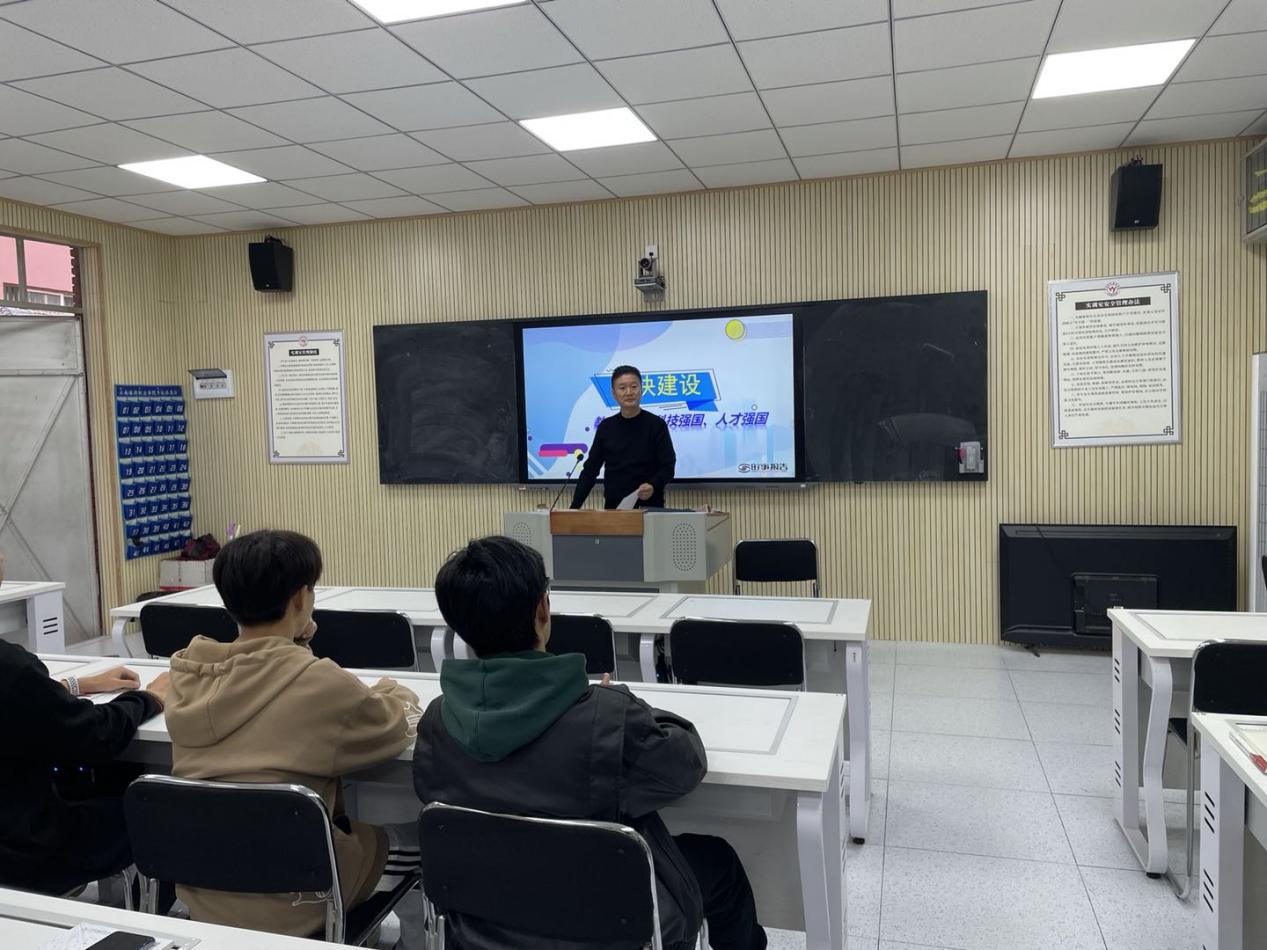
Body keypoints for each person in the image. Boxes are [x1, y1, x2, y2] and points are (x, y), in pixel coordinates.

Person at [413, 535, 767, 950]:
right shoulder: (608, 718)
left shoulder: (435, 722)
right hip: (613, 919)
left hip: (484, 926)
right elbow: (685, 765)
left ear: (457, 626)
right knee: (718, 862)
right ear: (542, 610)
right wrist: (625, 702)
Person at [165, 530, 423, 943]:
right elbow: (395, 723)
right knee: (427, 840)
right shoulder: (319, 684)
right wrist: (395, 689)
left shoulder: (186, 678)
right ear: (302, 598)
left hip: (205, 890)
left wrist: (295, 644)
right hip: (301, 897)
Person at [0, 550, 172, 895]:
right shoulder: (11, 668)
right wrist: (151, 698)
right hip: (29, 851)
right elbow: (96, 735)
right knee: (162, 810)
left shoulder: (15, 675)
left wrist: (76, 685)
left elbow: (21, 701)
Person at [571, 364, 676, 509]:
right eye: (622, 388)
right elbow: (590, 471)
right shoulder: (606, 427)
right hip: (614, 510)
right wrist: (573, 508)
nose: (629, 392)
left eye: (634, 387)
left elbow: (668, 467)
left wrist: (653, 485)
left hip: (650, 509)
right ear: (613, 393)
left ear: (641, 390)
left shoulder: (656, 425)